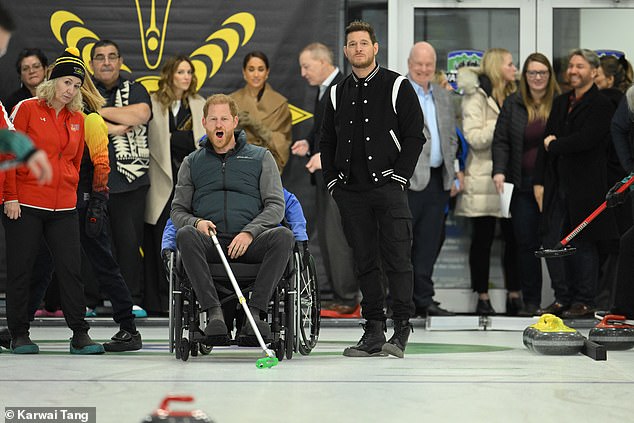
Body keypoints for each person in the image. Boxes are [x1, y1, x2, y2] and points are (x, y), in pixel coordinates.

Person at [320, 21, 425, 358]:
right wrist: (334, 182)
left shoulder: (398, 86)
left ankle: (402, 329)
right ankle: (374, 331)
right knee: (365, 262)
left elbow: (414, 136)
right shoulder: (336, 92)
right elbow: (326, 141)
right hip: (351, 193)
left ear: (375, 47)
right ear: (346, 51)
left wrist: (401, 178)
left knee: (397, 260)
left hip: (389, 189)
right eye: (352, 44)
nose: (358, 49)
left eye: (364, 43)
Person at [3, 48, 104, 355]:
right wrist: (11, 197)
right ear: (52, 80)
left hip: (63, 207)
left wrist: (71, 190)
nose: (70, 90)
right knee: (22, 269)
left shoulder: (78, 118)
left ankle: (79, 333)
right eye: (65, 83)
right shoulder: (27, 108)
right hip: (26, 203)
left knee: (71, 269)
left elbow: (74, 160)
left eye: (76, 85)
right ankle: (18, 333)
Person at [171, 94, 294, 346]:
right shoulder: (191, 162)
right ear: (204, 122)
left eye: (224, 119)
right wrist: (196, 223)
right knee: (184, 234)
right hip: (210, 242)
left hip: (251, 242)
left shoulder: (261, 157)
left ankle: (255, 314)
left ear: (235, 122)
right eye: (213, 119)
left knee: (284, 236)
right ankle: (214, 313)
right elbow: (178, 211)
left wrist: (250, 232)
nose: (219, 125)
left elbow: (276, 206)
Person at [536, 49, 618, 318]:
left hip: (586, 187)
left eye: (579, 66)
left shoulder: (602, 104)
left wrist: (556, 145)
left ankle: (584, 300)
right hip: (557, 183)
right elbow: (544, 143)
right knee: (553, 240)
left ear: (593, 71)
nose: (573, 71)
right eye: (571, 66)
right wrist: (539, 180)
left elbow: (586, 140)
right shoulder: (561, 102)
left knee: (583, 242)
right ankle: (562, 298)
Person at [290, 42, 360, 318]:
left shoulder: (343, 88)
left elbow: (350, 135)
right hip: (325, 179)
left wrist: (325, 158)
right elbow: (325, 129)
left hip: (339, 179)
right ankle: (341, 296)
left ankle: (347, 299)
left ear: (322, 62)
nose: (303, 73)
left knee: (337, 239)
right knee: (330, 240)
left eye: (307, 66)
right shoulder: (325, 90)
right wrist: (309, 143)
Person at [492, 53, 560, 316]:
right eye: (532, 73)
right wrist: (499, 171)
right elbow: (501, 141)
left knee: (555, 243)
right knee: (525, 244)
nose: (537, 78)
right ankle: (531, 301)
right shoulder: (513, 103)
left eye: (542, 72)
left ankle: (562, 299)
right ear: (525, 76)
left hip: (553, 186)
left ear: (549, 76)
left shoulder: (560, 102)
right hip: (521, 185)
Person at [456, 47, 521, 315]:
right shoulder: (476, 97)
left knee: (514, 238)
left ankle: (514, 294)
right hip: (483, 177)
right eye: (509, 64)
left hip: (511, 177)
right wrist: (503, 123)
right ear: (496, 67)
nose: (514, 68)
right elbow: (474, 139)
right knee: (482, 240)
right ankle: (482, 297)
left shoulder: (517, 95)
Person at [91, 39, 152, 317]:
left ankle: (131, 300)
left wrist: (98, 113)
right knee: (90, 241)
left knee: (129, 244)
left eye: (111, 56)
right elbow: (79, 118)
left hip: (130, 180)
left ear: (120, 61)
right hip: (92, 181)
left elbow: (141, 113)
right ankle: (88, 301)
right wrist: (116, 128)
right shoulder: (82, 89)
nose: (106, 62)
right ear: (92, 64)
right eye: (100, 57)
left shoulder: (135, 88)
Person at [145, 55, 205, 313]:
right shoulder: (153, 101)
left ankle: (188, 302)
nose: (186, 76)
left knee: (188, 242)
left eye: (189, 72)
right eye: (181, 71)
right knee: (157, 244)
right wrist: (177, 138)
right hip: (159, 183)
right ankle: (155, 302)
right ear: (170, 74)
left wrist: (174, 138)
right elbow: (155, 142)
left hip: (189, 184)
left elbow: (199, 143)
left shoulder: (200, 103)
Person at [406, 41, 458, 317]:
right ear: (409, 64)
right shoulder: (398, 93)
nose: (424, 69)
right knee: (403, 243)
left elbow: (450, 136)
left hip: (438, 180)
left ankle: (424, 299)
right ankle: (402, 301)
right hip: (408, 182)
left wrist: (454, 171)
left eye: (428, 65)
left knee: (430, 242)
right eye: (419, 64)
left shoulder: (443, 95)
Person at [230, 51, 292, 171]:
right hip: (236, 165)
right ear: (244, 73)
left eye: (261, 69)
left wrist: (258, 127)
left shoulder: (280, 104)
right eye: (251, 69)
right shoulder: (231, 101)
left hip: (268, 166)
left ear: (267, 73)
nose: (256, 75)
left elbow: (283, 143)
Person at [4, 48, 48, 112]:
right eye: (25, 68)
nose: (31, 71)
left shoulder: (56, 96)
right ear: (20, 75)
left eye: (36, 66)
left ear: (45, 69)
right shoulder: (13, 103)